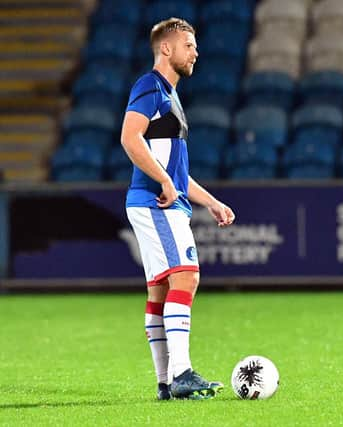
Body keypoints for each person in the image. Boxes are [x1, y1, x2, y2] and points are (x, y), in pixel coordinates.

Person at [120, 17, 235, 400]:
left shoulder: (170, 94)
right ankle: (182, 372)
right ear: (166, 49)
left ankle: (166, 382)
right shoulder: (150, 85)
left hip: (160, 201)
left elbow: (175, 172)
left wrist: (212, 202)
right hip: (156, 203)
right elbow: (129, 137)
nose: (195, 52)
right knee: (186, 277)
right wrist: (166, 183)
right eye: (189, 44)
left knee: (162, 288)